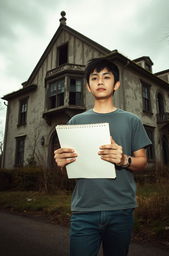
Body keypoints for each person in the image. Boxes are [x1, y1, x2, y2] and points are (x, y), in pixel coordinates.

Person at [54, 57, 151, 256]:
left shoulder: (132, 121)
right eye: (94, 78)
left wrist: (124, 159)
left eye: (106, 77)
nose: (100, 81)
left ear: (116, 84)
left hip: (121, 209)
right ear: (88, 87)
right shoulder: (75, 121)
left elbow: (142, 162)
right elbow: (68, 167)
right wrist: (61, 163)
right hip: (83, 209)